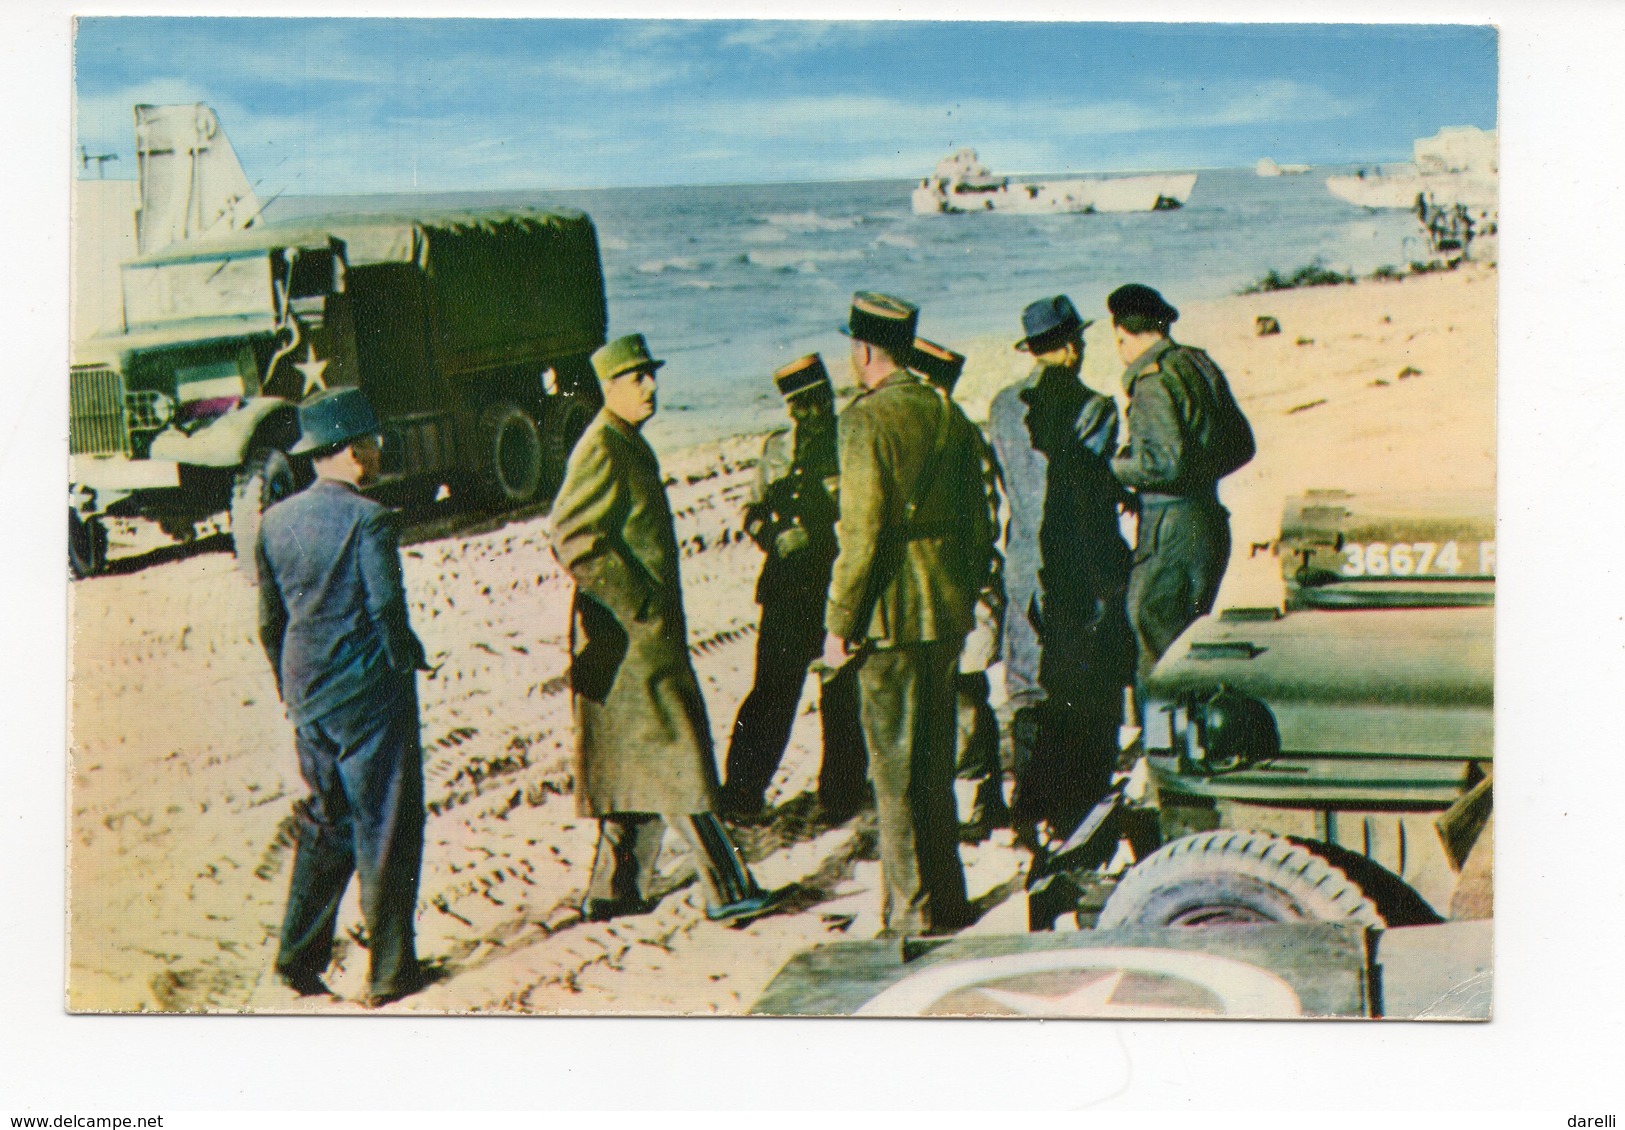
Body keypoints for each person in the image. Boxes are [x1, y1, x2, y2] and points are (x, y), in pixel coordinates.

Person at [549, 333, 781, 925]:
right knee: (682, 761)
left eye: (650, 375)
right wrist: (640, 605)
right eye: (636, 379)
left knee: (635, 761)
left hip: (629, 643)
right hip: (631, 642)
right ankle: (727, 892)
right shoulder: (603, 446)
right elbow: (573, 537)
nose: (650, 386)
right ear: (608, 388)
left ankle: (614, 891)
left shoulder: (622, 441)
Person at [820, 293, 994, 936]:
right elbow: (980, 524)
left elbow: (860, 537)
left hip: (890, 617)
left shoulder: (865, 421)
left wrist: (840, 623)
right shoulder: (947, 413)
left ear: (864, 351)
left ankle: (910, 912)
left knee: (893, 774)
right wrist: (962, 590)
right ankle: (948, 899)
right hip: (945, 612)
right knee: (933, 767)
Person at [257, 387, 430, 1006]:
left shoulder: (273, 522)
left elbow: (268, 623)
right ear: (355, 452)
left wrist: (292, 691)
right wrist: (404, 659)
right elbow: (385, 605)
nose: (377, 453)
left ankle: (298, 961)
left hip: (308, 697)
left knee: (326, 822)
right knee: (386, 822)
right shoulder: (369, 517)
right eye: (373, 443)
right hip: (367, 696)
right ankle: (390, 972)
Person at [989, 297, 1133, 845]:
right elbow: (1089, 487)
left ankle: (1028, 812)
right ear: (1072, 347)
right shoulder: (1095, 407)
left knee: (1028, 682)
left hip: (1025, 560)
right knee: (1087, 681)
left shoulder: (1003, 406)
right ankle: (1079, 805)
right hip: (1081, 563)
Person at [722, 354, 867, 825]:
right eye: (801, 405)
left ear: (830, 396)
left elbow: (861, 513)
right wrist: (773, 537)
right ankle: (742, 793)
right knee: (771, 694)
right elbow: (751, 510)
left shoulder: (851, 442)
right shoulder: (776, 450)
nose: (812, 412)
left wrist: (818, 534)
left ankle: (841, 795)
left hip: (832, 584)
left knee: (842, 693)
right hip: (785, 591)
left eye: (819, 400)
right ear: (790, 409)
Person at [1107, 284, 1255, 686]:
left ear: (1121, 332)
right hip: (1207, 519)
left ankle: (1164, 746)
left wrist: (1110, 468)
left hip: (1168, 527)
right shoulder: (1197, 364)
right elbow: (1243, 446)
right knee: (1190, 645)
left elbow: (1162, 464)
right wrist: (1199, 472)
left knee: (1158, 651)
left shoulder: (1152, 380)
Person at [911, 336, 1009, 843]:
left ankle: (977, 797)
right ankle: (978, 793)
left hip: (961, 587)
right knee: (961, 695)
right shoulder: (957, 432)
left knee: (964, 695)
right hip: (958, 586)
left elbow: (983, 520)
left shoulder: (954, 436)